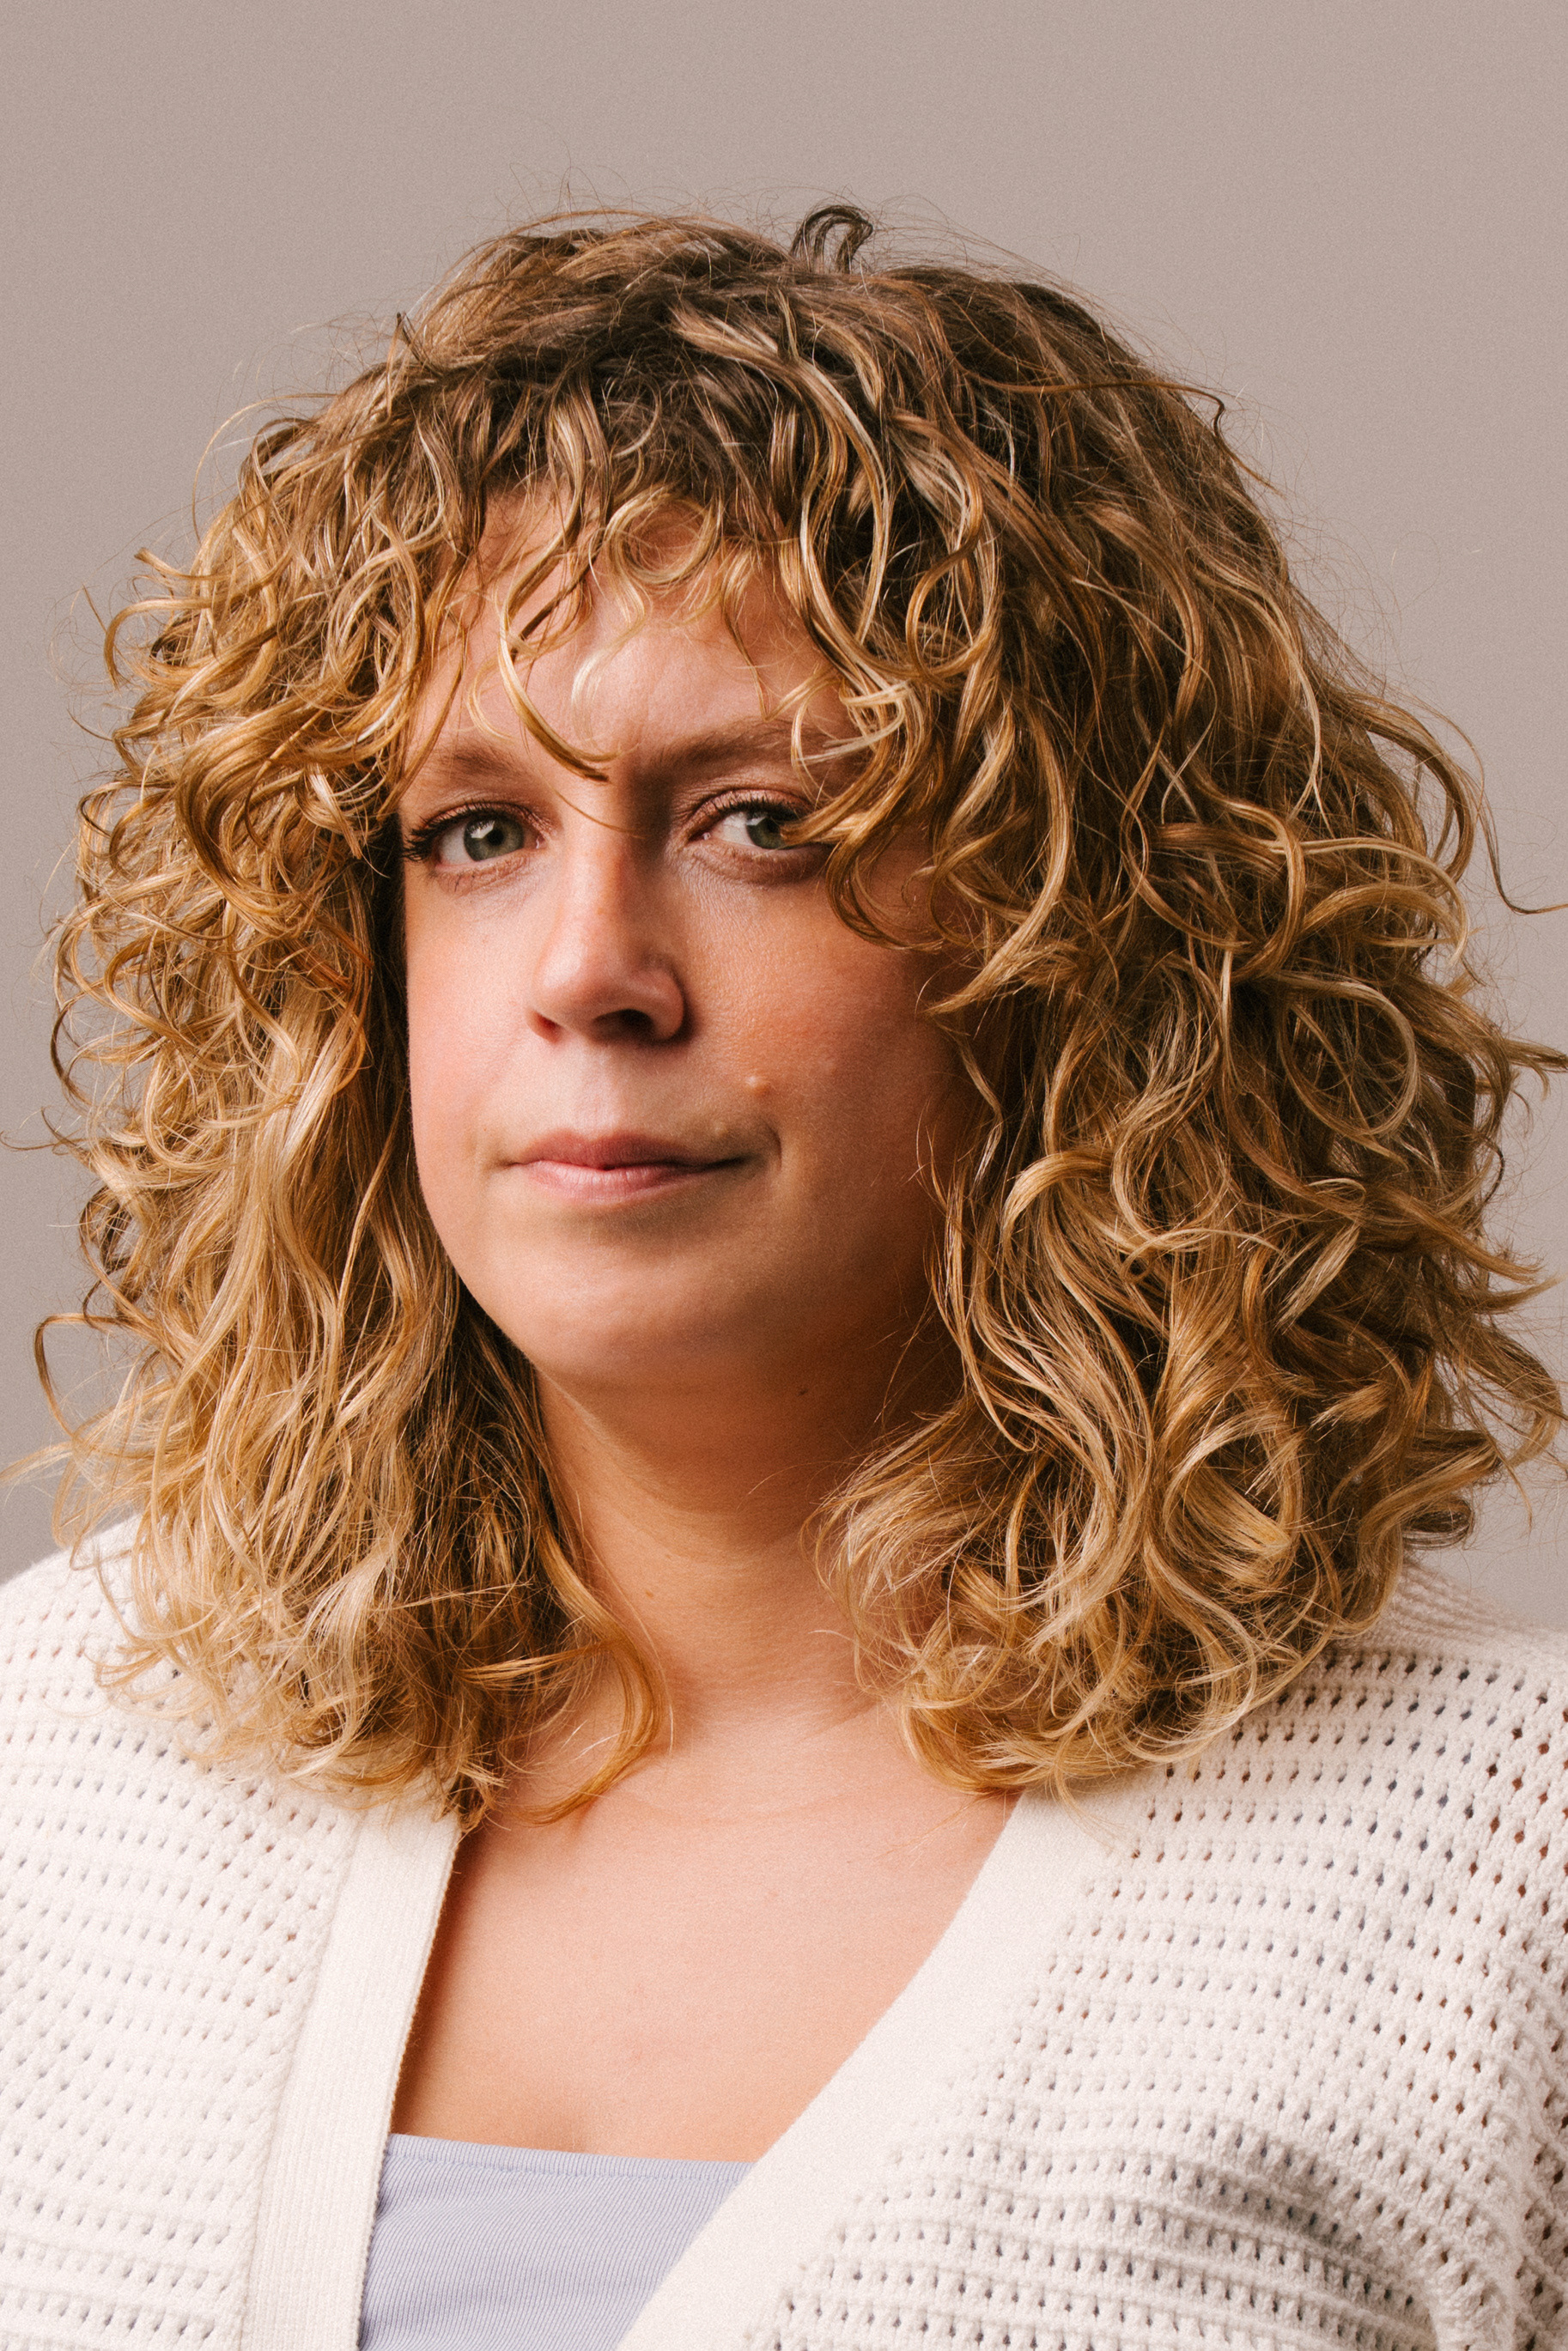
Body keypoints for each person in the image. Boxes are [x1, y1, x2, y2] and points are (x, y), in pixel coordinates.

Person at [2, 204, 1565, 2351]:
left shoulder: (1494, 1868)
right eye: (477, 830)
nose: (590, 971)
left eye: (758, 821)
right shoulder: (55, 1778)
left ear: (1082, 941)